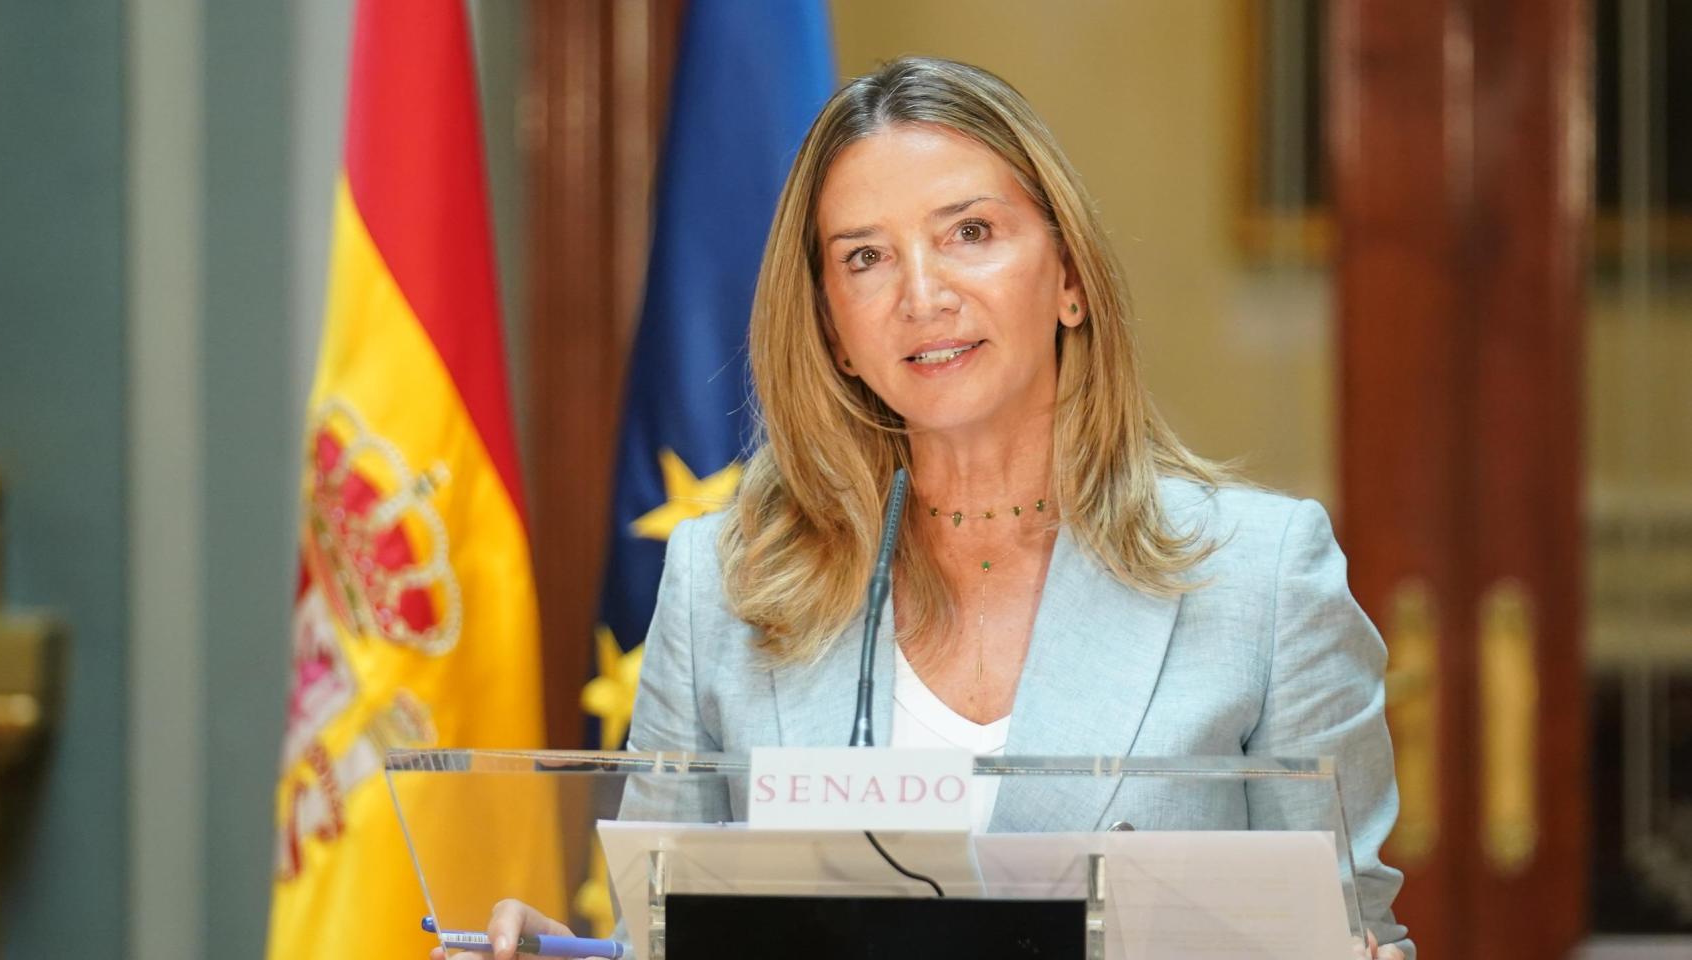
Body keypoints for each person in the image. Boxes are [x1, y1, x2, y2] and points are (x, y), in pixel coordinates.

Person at [454, 56, 1412, 959]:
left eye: (971, 233)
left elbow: (1346, 933)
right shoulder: (723, 588)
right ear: (832, 328)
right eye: (866, 257)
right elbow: (662, 937)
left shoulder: (1263, 579)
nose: (923, 295)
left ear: (1069, 278)